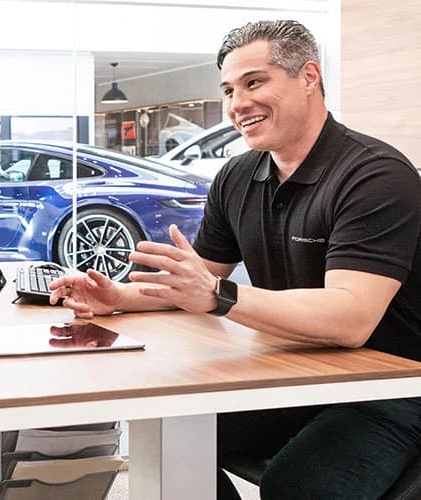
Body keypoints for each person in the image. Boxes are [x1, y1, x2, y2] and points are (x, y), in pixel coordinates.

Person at [49, 20, 420, 500]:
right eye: (228, 90)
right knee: (172, 433)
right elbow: (201, 277)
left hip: (391, 388)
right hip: (298, 370)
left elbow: (350, 319)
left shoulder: (375, 176)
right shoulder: (238, 175)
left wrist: (218, 295)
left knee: (294, 486)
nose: (237, 104)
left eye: (254, 82)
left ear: (309, 77)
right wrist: (118, 296)